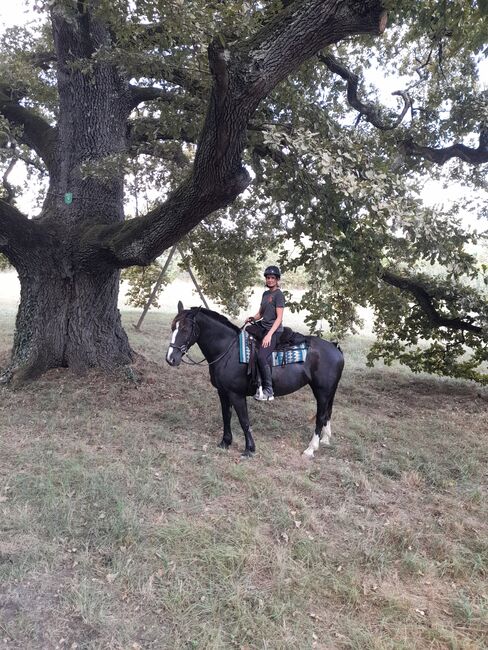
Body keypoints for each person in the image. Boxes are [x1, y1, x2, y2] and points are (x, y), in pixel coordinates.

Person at [245, 265, 285, 401]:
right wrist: (252, 318)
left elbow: (279, 318)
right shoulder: (265, 294)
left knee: (262, 356)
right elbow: (261, 313)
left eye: (273, 278)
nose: (270, 280)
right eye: (268, 278)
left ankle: (269, 389)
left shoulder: (279, 295)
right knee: (247, 335)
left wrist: (269, 335)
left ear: (277, 279)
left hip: (274, 330)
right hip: (263, 326)